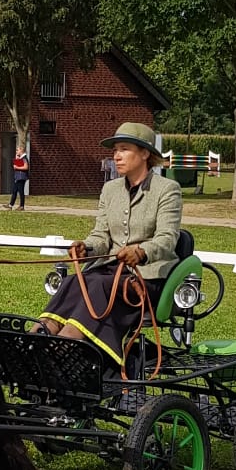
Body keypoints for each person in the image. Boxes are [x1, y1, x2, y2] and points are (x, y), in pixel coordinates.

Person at [39, 122, 183, 361]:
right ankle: (37, 339)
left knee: (96, 285)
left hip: (146, 279)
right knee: (72, 282)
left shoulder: (167, 189)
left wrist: (141, 251)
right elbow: (101, 236)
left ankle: (62, 351)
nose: (116, 156)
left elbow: (167, 238)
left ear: (145, 153)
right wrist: (86, 248)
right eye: (115, 150)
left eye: (124, 149)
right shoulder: (110, 189)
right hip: (108, 272)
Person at [9, 141, 30, 210]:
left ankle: (21, 206)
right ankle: (10, 205)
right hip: (18, 177)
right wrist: (17, 159)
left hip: (21, 177)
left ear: (21, 150)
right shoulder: (21, 158)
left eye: (17, 150)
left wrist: (17, 167)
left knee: (21, 191)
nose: (16, 151)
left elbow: (26, 167)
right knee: (14, 191)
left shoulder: (24, 158)